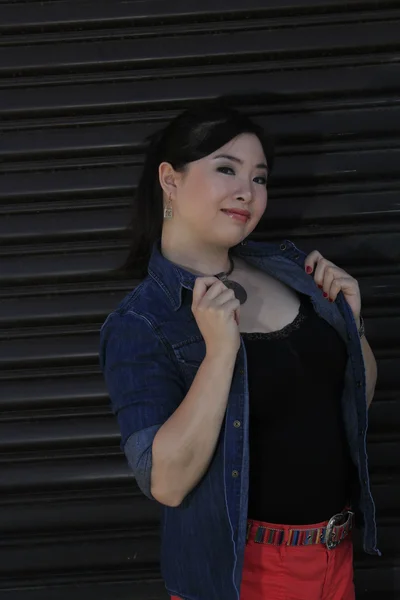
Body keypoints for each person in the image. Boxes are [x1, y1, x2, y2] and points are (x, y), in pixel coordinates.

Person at [99, 98, 380, 600]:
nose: (246, 192)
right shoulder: (142, 321)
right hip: (241, 575)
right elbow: (166, 482)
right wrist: (220, 353)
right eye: (226, 169)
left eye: (260, 178)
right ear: (170, 180)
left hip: (334, 561)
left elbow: (353, 401)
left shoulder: (291, 272)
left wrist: (352, 326)